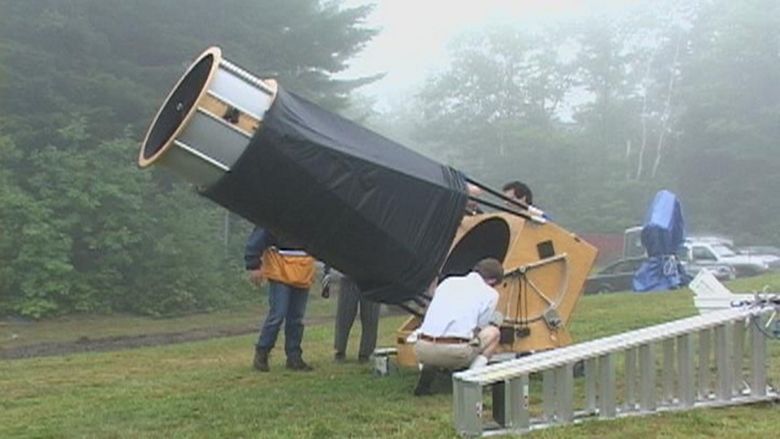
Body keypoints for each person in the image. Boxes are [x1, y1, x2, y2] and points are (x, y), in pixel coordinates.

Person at [413, 258, 504, 396]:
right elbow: (480, 328)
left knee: (437, 332)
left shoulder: (447, 282)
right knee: (494, 333)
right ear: (492, 281)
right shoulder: (491, 294)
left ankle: (425, 382)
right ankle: (471, 380)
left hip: (422, 349)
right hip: (454, 352)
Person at [245, 226, 316, 372]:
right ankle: (262, 353)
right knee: (278, 314)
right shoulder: (279, 213)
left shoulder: (313, 217)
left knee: (296, 318)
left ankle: (294, 357)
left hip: (303, 270)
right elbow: (259, 236)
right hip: (279, 269)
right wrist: (253, 265)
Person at [322, 269, 381, 363]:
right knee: (344, 315)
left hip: (372, 277)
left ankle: (366, 353)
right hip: (348, 275)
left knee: (371, 317)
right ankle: (339, 351)